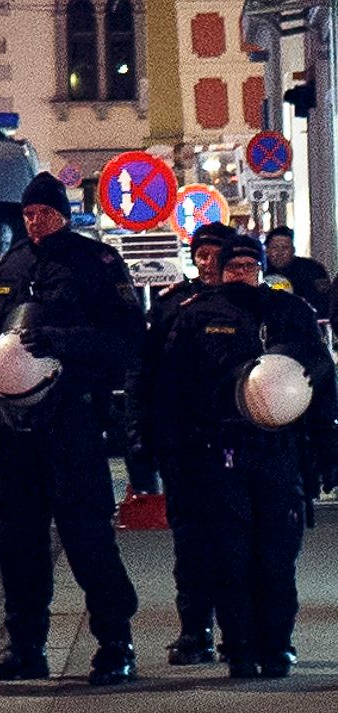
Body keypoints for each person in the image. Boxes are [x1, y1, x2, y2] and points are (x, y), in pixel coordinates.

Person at [0, 173, 145, 684]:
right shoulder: (12, 262)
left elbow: (127, 335)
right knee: (18, 540)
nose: (34, 220)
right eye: (27, 213)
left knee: (88, 536)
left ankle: (115, 644)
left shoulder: (95, 262)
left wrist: (62, 341)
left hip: (71, 419)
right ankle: (26, 647)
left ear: (62, 213)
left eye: (43, 212)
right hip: (17, 425)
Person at [145, 225, 333, 678]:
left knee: (276, 553)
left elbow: (322, 375)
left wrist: (327, 445)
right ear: (221, 270)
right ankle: (240, 645)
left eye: (250, 266)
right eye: (234, 266)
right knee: (228, 553)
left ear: (262, 270)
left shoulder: (289, 312)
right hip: (220, 450)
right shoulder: (196, 314)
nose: (242, 273)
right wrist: (167, 451)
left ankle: (278, 644)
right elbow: (169, 387)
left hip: (278, 449)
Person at [145, 225, 232, 661]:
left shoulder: (253, 304)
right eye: (201, 254)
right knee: (190, 541)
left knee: (237, 539)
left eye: (217, 253)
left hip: (238, 443)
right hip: (184, 441)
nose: (208, 262)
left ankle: (241, 631)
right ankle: (194, 631)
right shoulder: (172, 304)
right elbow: (146, 374)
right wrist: (140, 442)